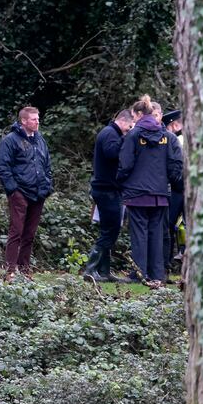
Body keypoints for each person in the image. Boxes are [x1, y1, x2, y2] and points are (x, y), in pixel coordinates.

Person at [117, 95, 183, 287]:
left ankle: (139, 273)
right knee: (156, 234)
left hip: (137, 194)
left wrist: (120, 182)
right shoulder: (169, 137)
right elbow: (175, 166)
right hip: (160, 195)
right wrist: (172, 185)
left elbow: (126, 164)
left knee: (139, 234)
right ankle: (157, 274)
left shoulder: (133, 136)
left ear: (138, 114)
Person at [0, 106, 53, 281]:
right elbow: (2, 167)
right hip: (20, 192)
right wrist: (13, 190)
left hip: (39, 193)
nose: (37, 122)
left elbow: (47, 165)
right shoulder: (10, 140)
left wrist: (47, 185)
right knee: (16, 231)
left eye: (38, 119)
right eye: (34, 119)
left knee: (30, 234)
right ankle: (10, 271)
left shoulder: (40, 140)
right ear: (24, 121)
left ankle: (25, 270)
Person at [82, 109, 135, 282]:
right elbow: (112, 153)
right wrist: (127, 138)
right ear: (122, 121)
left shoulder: (110, 133)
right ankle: (91, 268)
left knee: (109, 229)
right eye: (129, 127)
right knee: (110, 230)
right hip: (106, 190)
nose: (129, 130)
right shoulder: (110, 134)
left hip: (108, 189)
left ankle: (103, 271)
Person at [162, 109, 185, 268]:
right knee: (169, 225)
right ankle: (167, 261)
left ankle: (170, 260)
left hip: (180, 188)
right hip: (176, 188)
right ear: (174, 123)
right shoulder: (173, 140)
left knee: (174, 226)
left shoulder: (178, 139)